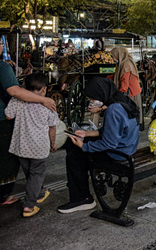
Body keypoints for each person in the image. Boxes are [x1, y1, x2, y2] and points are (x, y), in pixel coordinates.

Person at [58, 77, 139, 214]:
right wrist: (86, 134)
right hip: (128, 147)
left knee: (74, 155)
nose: (91, 101)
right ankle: (79, 184)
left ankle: (82, 199)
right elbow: (111, 130)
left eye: (92, 98)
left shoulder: (113, 110)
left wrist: (84, 147)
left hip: (117, 153)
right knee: (75, 148)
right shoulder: (121, 101)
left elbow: (109, 143)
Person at [0, 55, 56, 207]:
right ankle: (29, 205)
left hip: (20, 147)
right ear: (44, 89)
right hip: (39, 148)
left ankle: (38, 192)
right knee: (37, 174)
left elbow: (8, 115)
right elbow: (52, 127)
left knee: (30, 173)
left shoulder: (17, 101)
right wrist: (53, 143)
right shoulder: (48, 105)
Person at [109, 47, 142, 126]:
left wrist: (120, 93)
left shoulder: (126, 65)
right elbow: (115, 75)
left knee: (130, 112)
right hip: (132, 91)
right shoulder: (122, 63)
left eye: (113, 56)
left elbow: (125, 81)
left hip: (131, 92)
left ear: (119, 55)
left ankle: (130, 127)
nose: (113, 59)